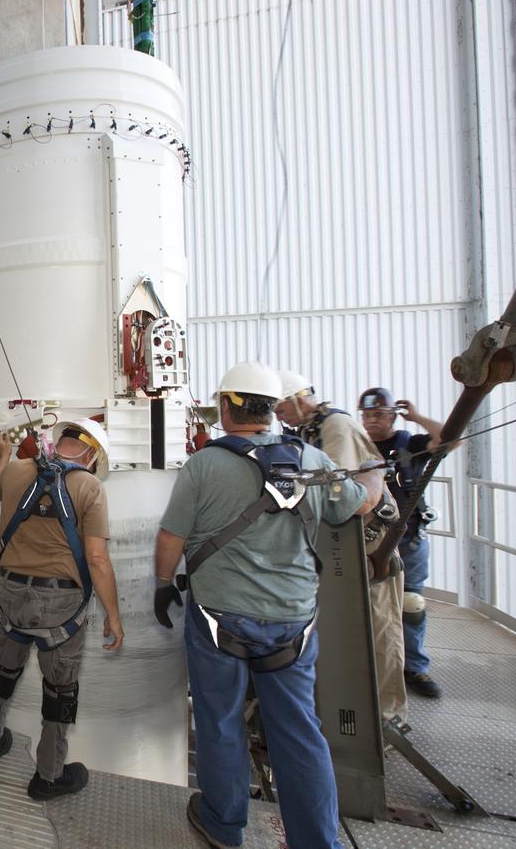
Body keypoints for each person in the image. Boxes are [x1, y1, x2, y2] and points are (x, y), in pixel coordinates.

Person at [153, 361, 382, 849]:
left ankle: (223, 823)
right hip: (292, 625)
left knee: (220, 721)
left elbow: (171, 536)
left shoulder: (205, 464)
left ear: (229, 405)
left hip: (219, 619)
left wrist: (161, 583)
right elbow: (361, 504)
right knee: (299, 733)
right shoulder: (313, 461)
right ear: (272, 408)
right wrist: (374, 472)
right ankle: (317, 842)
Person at [0, 418, 123, 800]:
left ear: (61, 442)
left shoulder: (16, 471)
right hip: (60, 605)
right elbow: (97, 559)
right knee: (59, 689)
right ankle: (49, 776)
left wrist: (5, 456)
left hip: (10, 593)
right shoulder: (90, 487)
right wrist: (113, 615)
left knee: (1, 672)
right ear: (92, 455)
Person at [276, 371, 409, 723]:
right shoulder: (311, 429)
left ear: (298, 399)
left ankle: (388, 713)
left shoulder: (335, 428)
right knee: (355, 627)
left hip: (369, 542)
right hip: (344, 543)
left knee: (379, 625)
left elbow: (341, 491)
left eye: (281, 408)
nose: (279, 416)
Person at [359, 387, 448, 698]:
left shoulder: (409, 444)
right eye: (367, 415)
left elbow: (449, 440)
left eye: (379, 415)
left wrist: (418, 416)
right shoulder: (357, 447)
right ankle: (374, 665)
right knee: (367, 606)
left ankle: (415, 667)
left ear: (393, 416)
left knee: (411, 604)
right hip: (367, 540)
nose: (372, 421)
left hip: (407, 539)